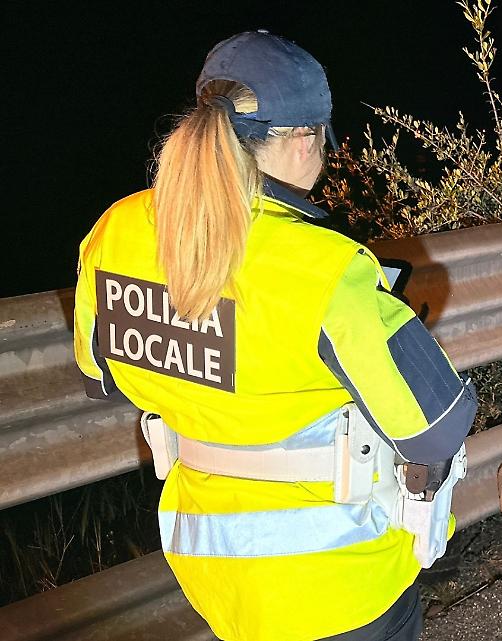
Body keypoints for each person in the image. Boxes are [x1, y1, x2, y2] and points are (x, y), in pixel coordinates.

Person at [72, 31, 477, 641]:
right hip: (339, 583)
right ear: (304, 140)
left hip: (212, 568)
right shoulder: (322, 269)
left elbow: (99, 374)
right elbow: (435, 425)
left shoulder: (116, 231)